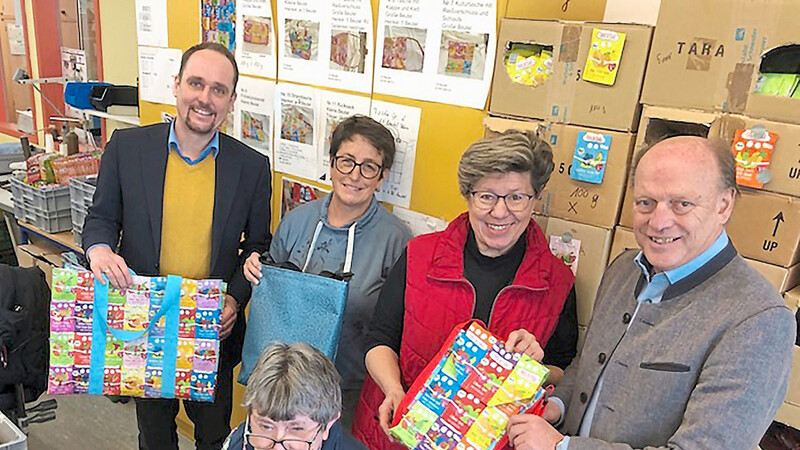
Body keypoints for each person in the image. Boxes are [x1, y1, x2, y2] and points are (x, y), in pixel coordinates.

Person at [507, 136, 796, 450]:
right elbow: (587, 366)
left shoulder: (758, 319)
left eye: (681, 204)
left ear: (724, 205)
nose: (658, 222)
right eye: (645, 202)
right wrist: (558, 407)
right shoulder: (622, 269)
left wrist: (563, 447)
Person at [82, 42, 271, 450]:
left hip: (210, 327)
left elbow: (257, 246)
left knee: (214, 436)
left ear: (231, 100)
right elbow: (100, 219)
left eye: (219, 89)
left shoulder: (252, 167)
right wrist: (98, 249)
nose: (205, 98)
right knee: (154, 436)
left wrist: (236, 300)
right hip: (145, 323)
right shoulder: (127, 149)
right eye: (196, 83)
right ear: (176, 85)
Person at [353, 130, 578, 449]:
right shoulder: (420, 255)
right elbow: (379, 340)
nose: (500, 213)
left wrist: (535, 365)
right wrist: (393, 389)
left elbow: (565, 372)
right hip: (397, 436)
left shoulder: (558, 281)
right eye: (486, 196)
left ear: (535, 199)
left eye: (516, 197)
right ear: (468, 195)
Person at [243, 115, 412, 428]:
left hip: (346, 389)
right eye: (346, 161)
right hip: (281, 381)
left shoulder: (396, 240)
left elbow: (395, 325)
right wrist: (255, 269)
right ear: (332, 163)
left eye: (369, 166)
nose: (355, 175)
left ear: (382, 176)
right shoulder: (296, 221)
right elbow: (271, 294)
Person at [221, 342, 366, 450]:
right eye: (266, 426)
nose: (277, 447)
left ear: (328, 424)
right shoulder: (238, 443)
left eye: (296, 429)